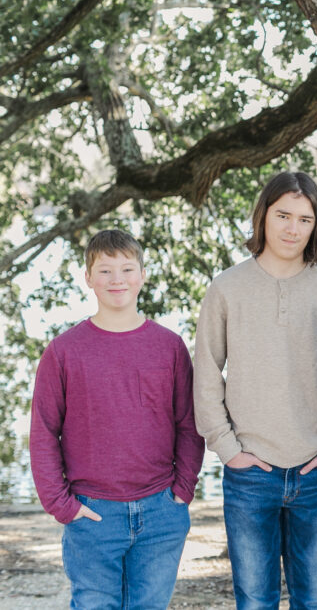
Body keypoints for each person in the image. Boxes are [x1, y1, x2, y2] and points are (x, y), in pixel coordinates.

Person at [194, 172, 317, 610]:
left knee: (314, 599)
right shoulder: (226, 287)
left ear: (316, 225)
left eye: (304, 219)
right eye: (283, 215)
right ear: (263, 217)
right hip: (250, 471)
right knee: (254, 601)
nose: (292, 228)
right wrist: (228, 448)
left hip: (316, 470)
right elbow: (207, 372)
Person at [29, 229, 205, 608]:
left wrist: (183, 489)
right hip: (92, 514)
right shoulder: (63, 351)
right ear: (88, 278)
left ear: (142, 275)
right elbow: (44, 433)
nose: (117, 279)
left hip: (161, 510)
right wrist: (63, 506)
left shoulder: (169, 346)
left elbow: (189, 424)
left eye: (127, 269)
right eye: (105, 271)